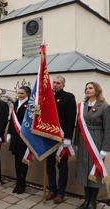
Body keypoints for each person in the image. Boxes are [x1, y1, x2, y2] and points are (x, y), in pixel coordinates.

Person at [74, 82, 110, 209]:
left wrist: (105, 148)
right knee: (85, 170)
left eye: (90, 88)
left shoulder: (104, 107)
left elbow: (108, 128)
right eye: (86, 88)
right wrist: (76, 142)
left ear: (97, 90)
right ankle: (86, 200)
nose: (87, 90)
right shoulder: (81, 106)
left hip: (97, 142)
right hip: (84, 142)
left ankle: (92, 202)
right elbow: (78, 126)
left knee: (95, 170)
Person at [46, 76, 77, 204]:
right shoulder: (48, 97)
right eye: (54, 82)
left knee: (62, 167)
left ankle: (61, 192)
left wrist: (68, 137)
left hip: (62, 138)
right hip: (49, 137)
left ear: (63, 85)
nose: (55, 85)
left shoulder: (69, 97)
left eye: (58, 83)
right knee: (49, 166)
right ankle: (52, 189)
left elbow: (71, 118)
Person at [7, 86, 31, 194]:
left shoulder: (30, 105)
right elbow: (12, 120)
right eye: (19, 93)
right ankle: (18, 182)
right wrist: (9, 133)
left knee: (23, 161)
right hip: (15, 136)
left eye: (22, 93)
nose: (20, 95)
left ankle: (22, 183)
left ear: (27, 94)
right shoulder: (16, 103)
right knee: (17, 160)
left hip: (24, 137)